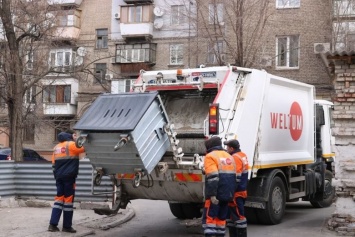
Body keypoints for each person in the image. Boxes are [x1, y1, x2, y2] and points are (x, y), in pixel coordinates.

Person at [48, 131, 85, 233]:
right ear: (71, 136)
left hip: (59, 177)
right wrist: (78, 139)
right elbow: (84, 147)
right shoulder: (72, 144)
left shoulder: (56, 147)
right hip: (69, 177)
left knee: (58, 200)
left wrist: (57, 177)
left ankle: (52, 225)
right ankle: (67, 226)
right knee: (68, 201)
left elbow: (53, 164)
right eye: (74, 135)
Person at [202, 136, 237, 237]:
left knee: (210, 219)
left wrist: (212, 195)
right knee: (221, 220)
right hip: (227, 194)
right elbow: (231, 176)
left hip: (216, 195)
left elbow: (213, 177)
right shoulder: (229, 156)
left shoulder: (210, 156)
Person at [224, 139, 249, 237]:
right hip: (241, 191)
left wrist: (230, 191)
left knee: (239, 217)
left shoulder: (235, 158)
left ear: (231, 148)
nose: (226, 149)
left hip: (236, 193)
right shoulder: (242, 155)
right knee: (232, 217)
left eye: (227, 147)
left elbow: (236, 177)